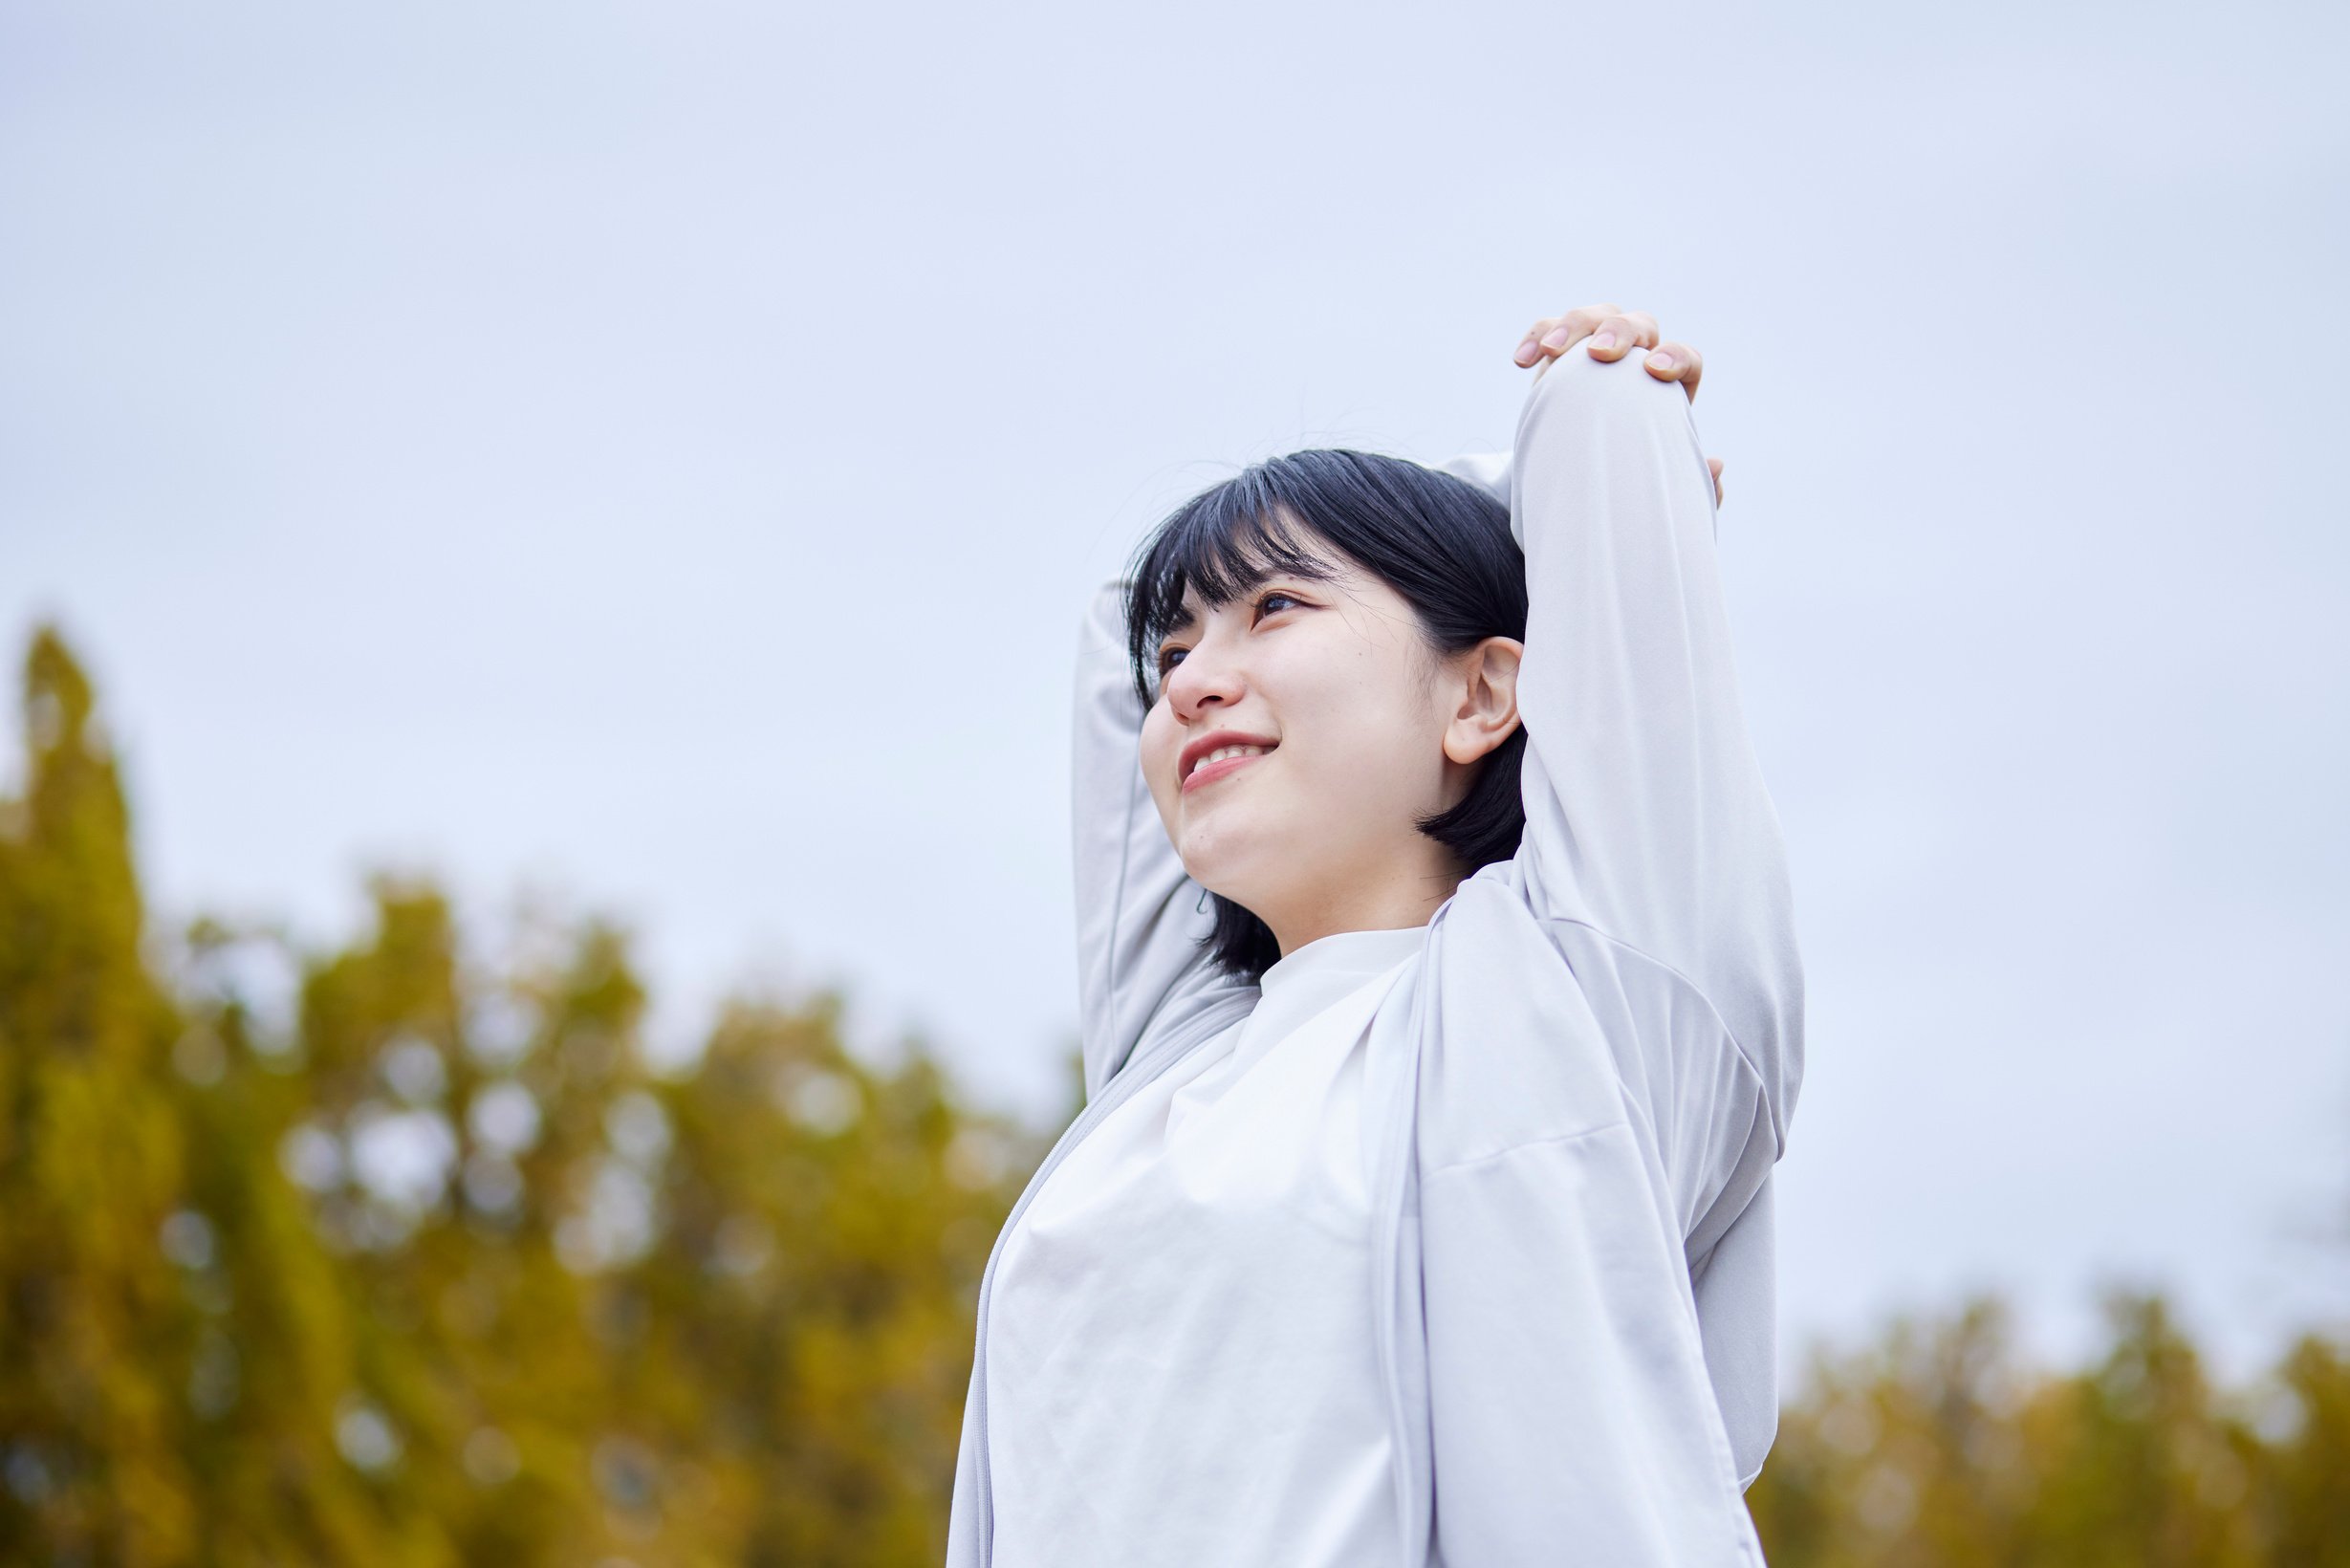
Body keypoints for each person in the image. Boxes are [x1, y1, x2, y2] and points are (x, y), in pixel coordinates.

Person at [946, 305, 1801, 1567]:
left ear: (1482, 692)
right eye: (1179, 650)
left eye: (1277, 607)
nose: (1187, 679)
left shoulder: (1574, 1005)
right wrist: (1470, 529)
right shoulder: (1168, 1068)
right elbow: (1114, 619)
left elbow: (1599, 421)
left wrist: (1590, 506)